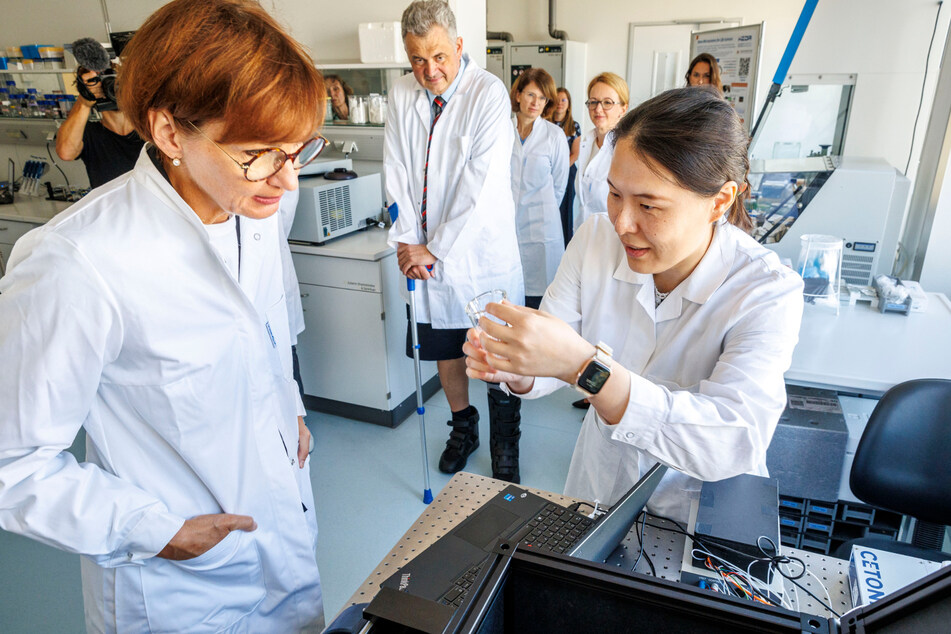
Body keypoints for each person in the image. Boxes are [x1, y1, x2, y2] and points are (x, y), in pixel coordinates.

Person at [0, 1, 327, 631]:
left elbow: (264, 327)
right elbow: (12, 463)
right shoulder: (79, 262)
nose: (288, 183)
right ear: (172, 133)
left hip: (282, 534)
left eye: (297, 150)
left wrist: (290, 406)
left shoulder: (254, 204)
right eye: (259, 152)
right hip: (179, 586)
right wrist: (156, 531)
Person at [463, 86, 804, 525]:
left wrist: (586, 367)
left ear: (719, 201)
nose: (622, 223)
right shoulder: (594, 240)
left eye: (648, 205)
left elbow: (730, 441)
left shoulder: (764, 290)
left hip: (699, 515)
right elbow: (553, 352)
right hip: (598, 490)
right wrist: (520, 371)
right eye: (614, 194)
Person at [385, 0, 526, 482]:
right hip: (423, 255)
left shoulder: (486, 93)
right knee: (445, 347)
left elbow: (478, 184)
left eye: (439, 56)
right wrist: (406, 241)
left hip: (480, 256)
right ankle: (463, 426)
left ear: (460, 46)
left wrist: (436, 247)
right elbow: (396, 170)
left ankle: (506, 440)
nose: (429, 70)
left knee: (496, 351)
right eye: (418, 59)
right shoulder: (402, 93)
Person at [510, 68, 569, 310]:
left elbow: (559, 186)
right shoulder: (502, 130)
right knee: (510, 295)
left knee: (540, 301)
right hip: (507, 224)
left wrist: (539, 211)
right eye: (531, 95)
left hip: (542, 229)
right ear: (518, 95)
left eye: (542, 98)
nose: (536, 103)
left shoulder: (554, 136)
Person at [55, 63, 144, 189]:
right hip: (113, 207)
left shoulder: (150, 129)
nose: (114, 88)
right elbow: (66, 153)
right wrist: (84, 101)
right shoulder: (90, 133)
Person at [574, 72, 628, 234]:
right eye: (593, 102)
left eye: (607, 103)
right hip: (583, 234)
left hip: (612, 239)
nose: (598, 109)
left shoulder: (626, 151)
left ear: (623, 109)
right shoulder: (585, 143)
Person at [547, 87, 581, 246]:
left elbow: (575, 153)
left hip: (567, 173)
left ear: (569, 104)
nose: (560, 103)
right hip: (548, 174)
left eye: (564, 100)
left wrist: (559, 168)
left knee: (565, 211)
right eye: (557, 100)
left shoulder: (574, 126)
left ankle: (566, 246)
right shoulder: (546, 124)